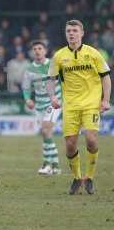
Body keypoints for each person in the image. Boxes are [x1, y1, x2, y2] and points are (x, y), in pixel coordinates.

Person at [47, 20, 111, 195]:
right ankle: (77, 178)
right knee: (70, 145)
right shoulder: (59, 56)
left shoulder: (93, 54)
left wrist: (105, 100)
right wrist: (52, 96)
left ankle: (89, 177)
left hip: (91, 104)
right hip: (71, 106)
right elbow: (51, 79)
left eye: (75, 30)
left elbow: (106, 77)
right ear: (65, 33)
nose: (71, 33)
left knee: (91, 139)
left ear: (82, 33)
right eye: (68, 31)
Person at [22, 41, 61, 175]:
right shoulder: (29, 69)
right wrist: (27, 99)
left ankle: (46, 164)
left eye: (40, 48)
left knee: (45, 129)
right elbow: (26, 87)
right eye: (35, 49)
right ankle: (55, 164)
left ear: (45, 50)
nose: (37, 51)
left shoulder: (53, 65)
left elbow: (64, 81)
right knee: (46, 133)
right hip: (39, 106)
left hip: (54, 103)